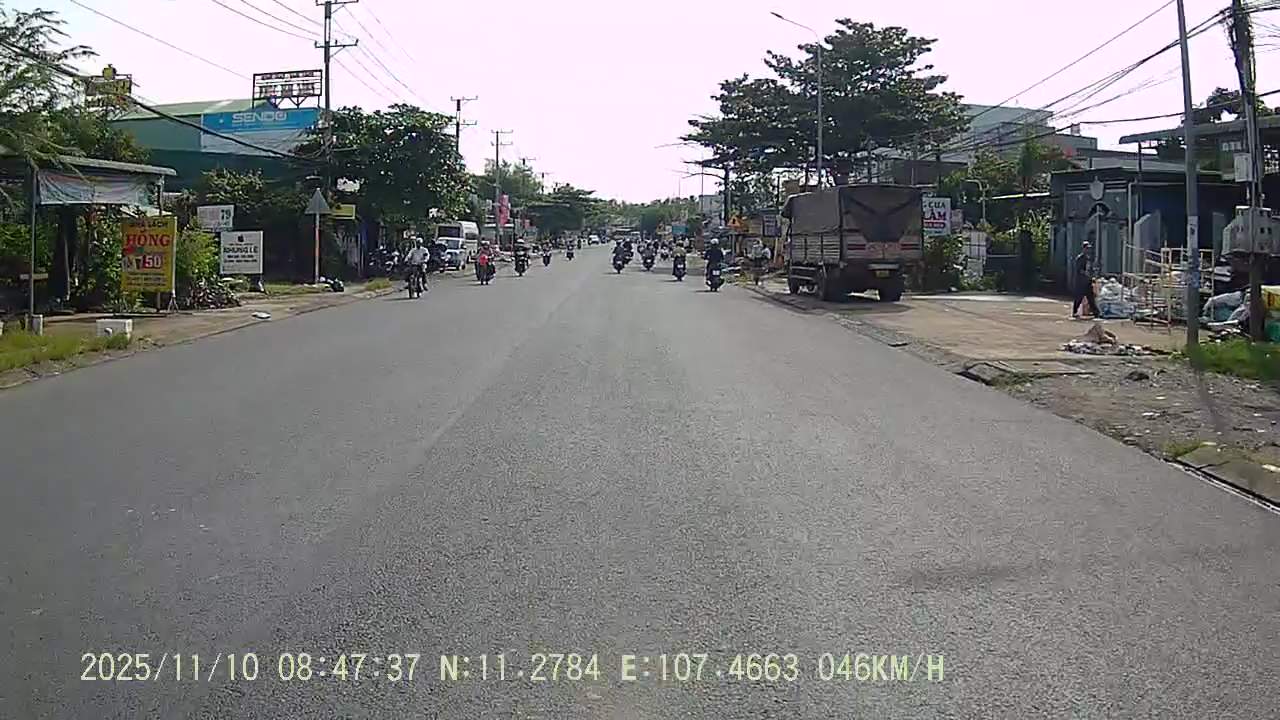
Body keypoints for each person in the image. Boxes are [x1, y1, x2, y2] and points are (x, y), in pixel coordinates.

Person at [1072, 240, 1100, 319]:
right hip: (1081, 282)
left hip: (1088, 281)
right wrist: (1086, 274)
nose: (1088, 250)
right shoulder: (1080, 258)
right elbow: (1079, 270)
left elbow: (1090, 269)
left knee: (1091, 297)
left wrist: (1092, 276)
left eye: (1089, 248)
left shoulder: (1088, 258)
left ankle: (1096, 313)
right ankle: (1074, 311)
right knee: (1079, 297)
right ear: (1083, 249)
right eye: (1087, 248)